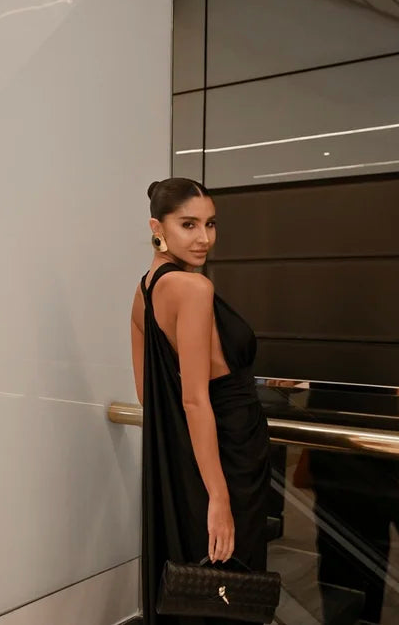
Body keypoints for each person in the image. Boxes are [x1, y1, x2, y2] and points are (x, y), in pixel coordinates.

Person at [130, 178, 272, 625]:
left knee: (198, 588)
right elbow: (193, 400)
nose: (204, 238)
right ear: (157, 227)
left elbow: (149, 395)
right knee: (234, 590)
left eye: (210, 224)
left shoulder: (144, 290)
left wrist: (191, 476)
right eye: (188, 224)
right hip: (230, 457)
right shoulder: (194, 289)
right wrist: (219, 497)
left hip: (188, 459)